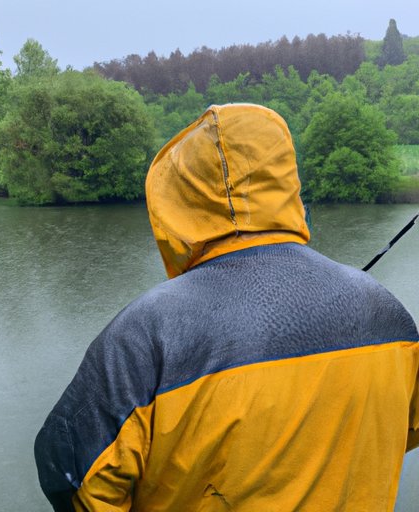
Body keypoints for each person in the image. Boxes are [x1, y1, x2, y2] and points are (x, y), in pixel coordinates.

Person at [35, 103, 419, 511]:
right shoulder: (387, 312)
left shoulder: (147, 334)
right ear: (287, 183)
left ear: (175, 201)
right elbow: (405, 428)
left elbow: (70, 475)